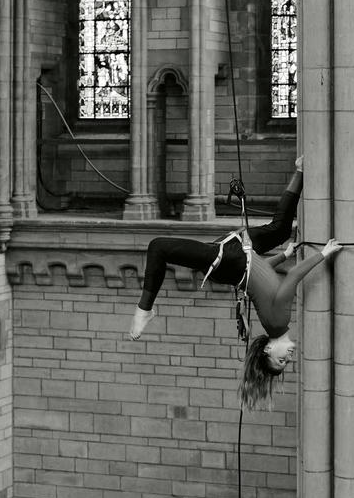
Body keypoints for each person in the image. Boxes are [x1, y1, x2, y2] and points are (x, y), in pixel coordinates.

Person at [127, 157, 343, 409]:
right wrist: (284, 254)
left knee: (158, 248)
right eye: (286, 362)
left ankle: (145, 309)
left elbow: (293, 276)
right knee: (280, 231)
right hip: (242, 259)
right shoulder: (274, 323)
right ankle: (300, 170)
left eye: (281, 361)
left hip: (232, 260)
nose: (288, 358)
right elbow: (262, 276)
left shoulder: (278, 322)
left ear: (267, 351)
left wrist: (324, 254)